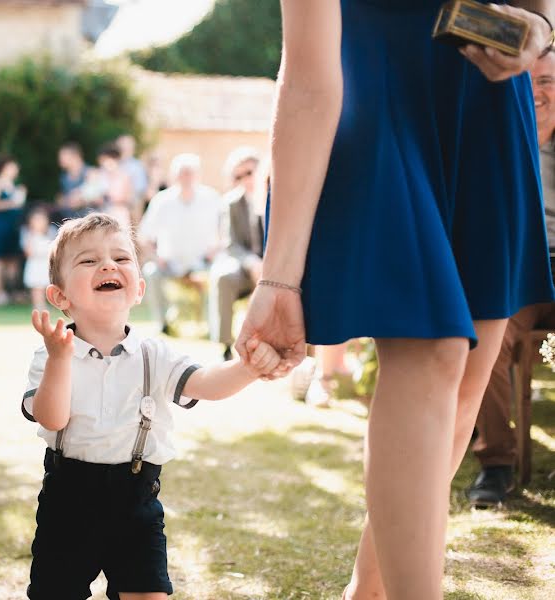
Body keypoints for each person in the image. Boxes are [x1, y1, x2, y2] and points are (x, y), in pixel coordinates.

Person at [234, 2, 555, 599]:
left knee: (461, 396)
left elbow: (538, 13)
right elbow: (306, 74)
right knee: (432, 351)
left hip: (490, 109)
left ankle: (367, 593)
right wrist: (279, 279)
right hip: (375, 98)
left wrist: (538, 32)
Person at [21, 213, 281, 600]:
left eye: (121, 258)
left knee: (147, 594)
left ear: (139, 288)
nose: (108, 265)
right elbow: (52, 418)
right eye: (89, 261)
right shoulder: (52, 353)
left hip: (136, 498)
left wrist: (248, 368)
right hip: (68, 499)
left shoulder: (154, 354)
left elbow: (206, 384)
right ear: (60, 297)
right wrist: (59, 359)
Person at [467, 50, 555, 507]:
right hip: (517, 269)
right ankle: (497, 463)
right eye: (531, 81)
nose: (538, 92)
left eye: (549, 82)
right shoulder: (499, 139)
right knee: (486, 338)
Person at [138, 153, 221, 334]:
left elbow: (225, 233)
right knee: (150, 272)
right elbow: (144, 235)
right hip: (169, 263)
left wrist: (214, 252)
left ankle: (213, 327)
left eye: (190, 173)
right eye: (182, 173)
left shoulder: (212, 198)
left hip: (203, 262)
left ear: (198, 175)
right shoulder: (162, 201)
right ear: (174, 176)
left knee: (218, 273)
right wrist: (156, 257)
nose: (186, 178)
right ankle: (163, 323)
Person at [208, 147, 267, 361]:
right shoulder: (231, 203)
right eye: (238, 176)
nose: (245, 179)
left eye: (249, 173)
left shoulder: (277, 197)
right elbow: (231, 244)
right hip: (245, 266)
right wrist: (251, 262)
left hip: (275, 267)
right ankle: (225, 344)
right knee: (223, 278)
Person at [0, 155, 27, 307]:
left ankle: (12, 291)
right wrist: (13, 202)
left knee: (13, 259)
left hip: (13, 225)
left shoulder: (16, 186)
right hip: (0, 224)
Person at [22, 205, 56, 313]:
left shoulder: (51, 233)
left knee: (46, 285)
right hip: (35, 264)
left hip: (45, 264)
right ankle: (38, 305)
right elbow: (27, 252)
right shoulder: (29, 234)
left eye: (41, 220)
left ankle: (45, 304)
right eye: (36, 220)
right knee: (37, 287)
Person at [56, 141, 94, 220]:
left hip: (88, 219)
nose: (60, 160)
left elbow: (98, 198)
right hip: (69, 219)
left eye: (63, 156)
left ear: (76, 156)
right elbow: (60, 199)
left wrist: (82, 200)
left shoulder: (90, 173)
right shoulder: (63, 177)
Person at [115, 134, 148, 221]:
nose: (125, 149)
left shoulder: (137, 166)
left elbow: (140, 189)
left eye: (128, 147)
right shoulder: (113, 163)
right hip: (114, 203)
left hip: (132, 203)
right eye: (123, 146)